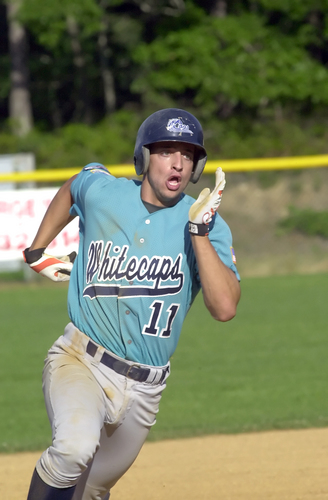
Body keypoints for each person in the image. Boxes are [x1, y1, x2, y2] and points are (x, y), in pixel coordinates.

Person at [23, 108, 241, 500]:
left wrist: (200, 234)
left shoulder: (206, 224)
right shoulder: (108, 194)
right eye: (166, 151)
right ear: (143, 157)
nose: (177, 162)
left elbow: (225, 308)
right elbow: (76, 185)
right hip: (81, 360)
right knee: (72, 452)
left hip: (146, 388)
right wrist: (38, 249)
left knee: (89, 490)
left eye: (188, 154)